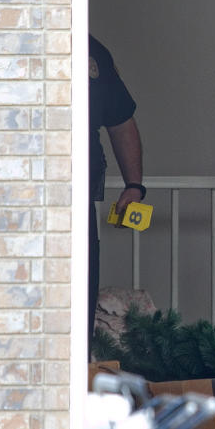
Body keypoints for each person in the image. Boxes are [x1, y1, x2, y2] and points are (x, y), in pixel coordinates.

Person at [89, 35, 146, 342]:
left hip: (79, 200)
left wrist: (134, 185)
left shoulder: (92, 51)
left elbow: (121, 121)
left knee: (80, 298)